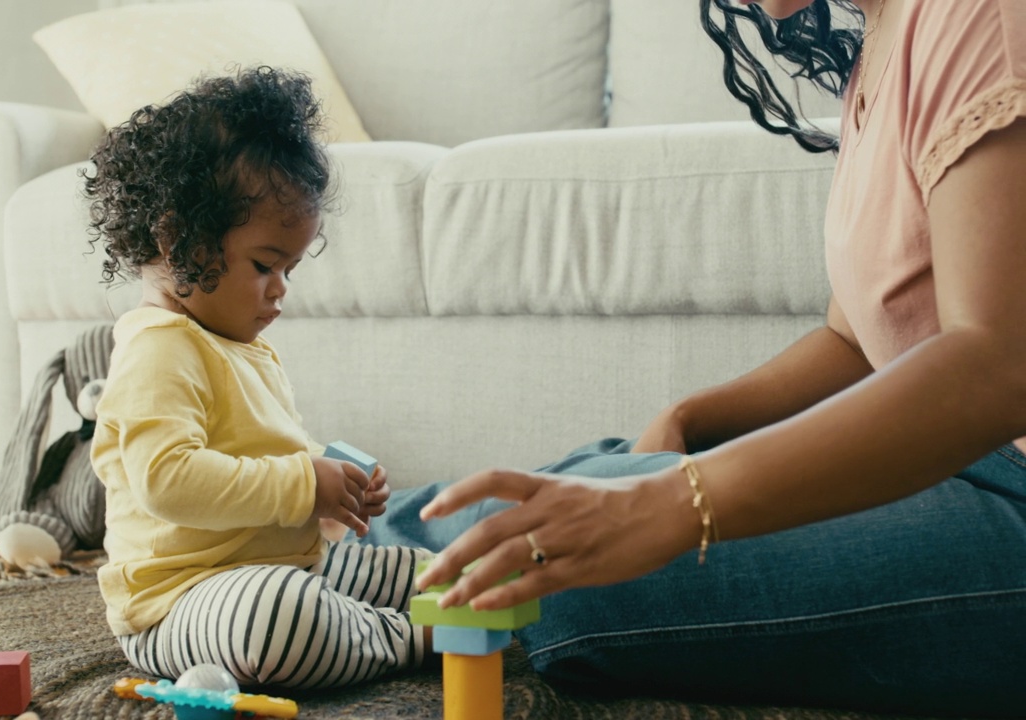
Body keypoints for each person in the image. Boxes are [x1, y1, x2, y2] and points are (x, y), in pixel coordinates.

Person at [363, 1, 1026, 716]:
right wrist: (691, 418)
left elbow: (995, 366)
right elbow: (858, 341)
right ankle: (298, 529)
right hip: (948, 460)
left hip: (1010, 495)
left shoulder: (980, 17)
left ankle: (298, 555)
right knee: (581, 486)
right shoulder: (884, 41)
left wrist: (675, 504)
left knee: (566, 569)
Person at [84, 66, 430, 690]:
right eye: (266, 265)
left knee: (433, 568)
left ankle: (398, 610)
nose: (281, 292)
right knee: (281, 617)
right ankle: (405, 636)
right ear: (177, 238)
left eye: (290, 270)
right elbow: (168, 481)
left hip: (285, 565)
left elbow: (265, 453)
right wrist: (305, 483)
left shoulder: (239, 345)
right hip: (181, 603)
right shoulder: (157, 349)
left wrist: (335, 475)